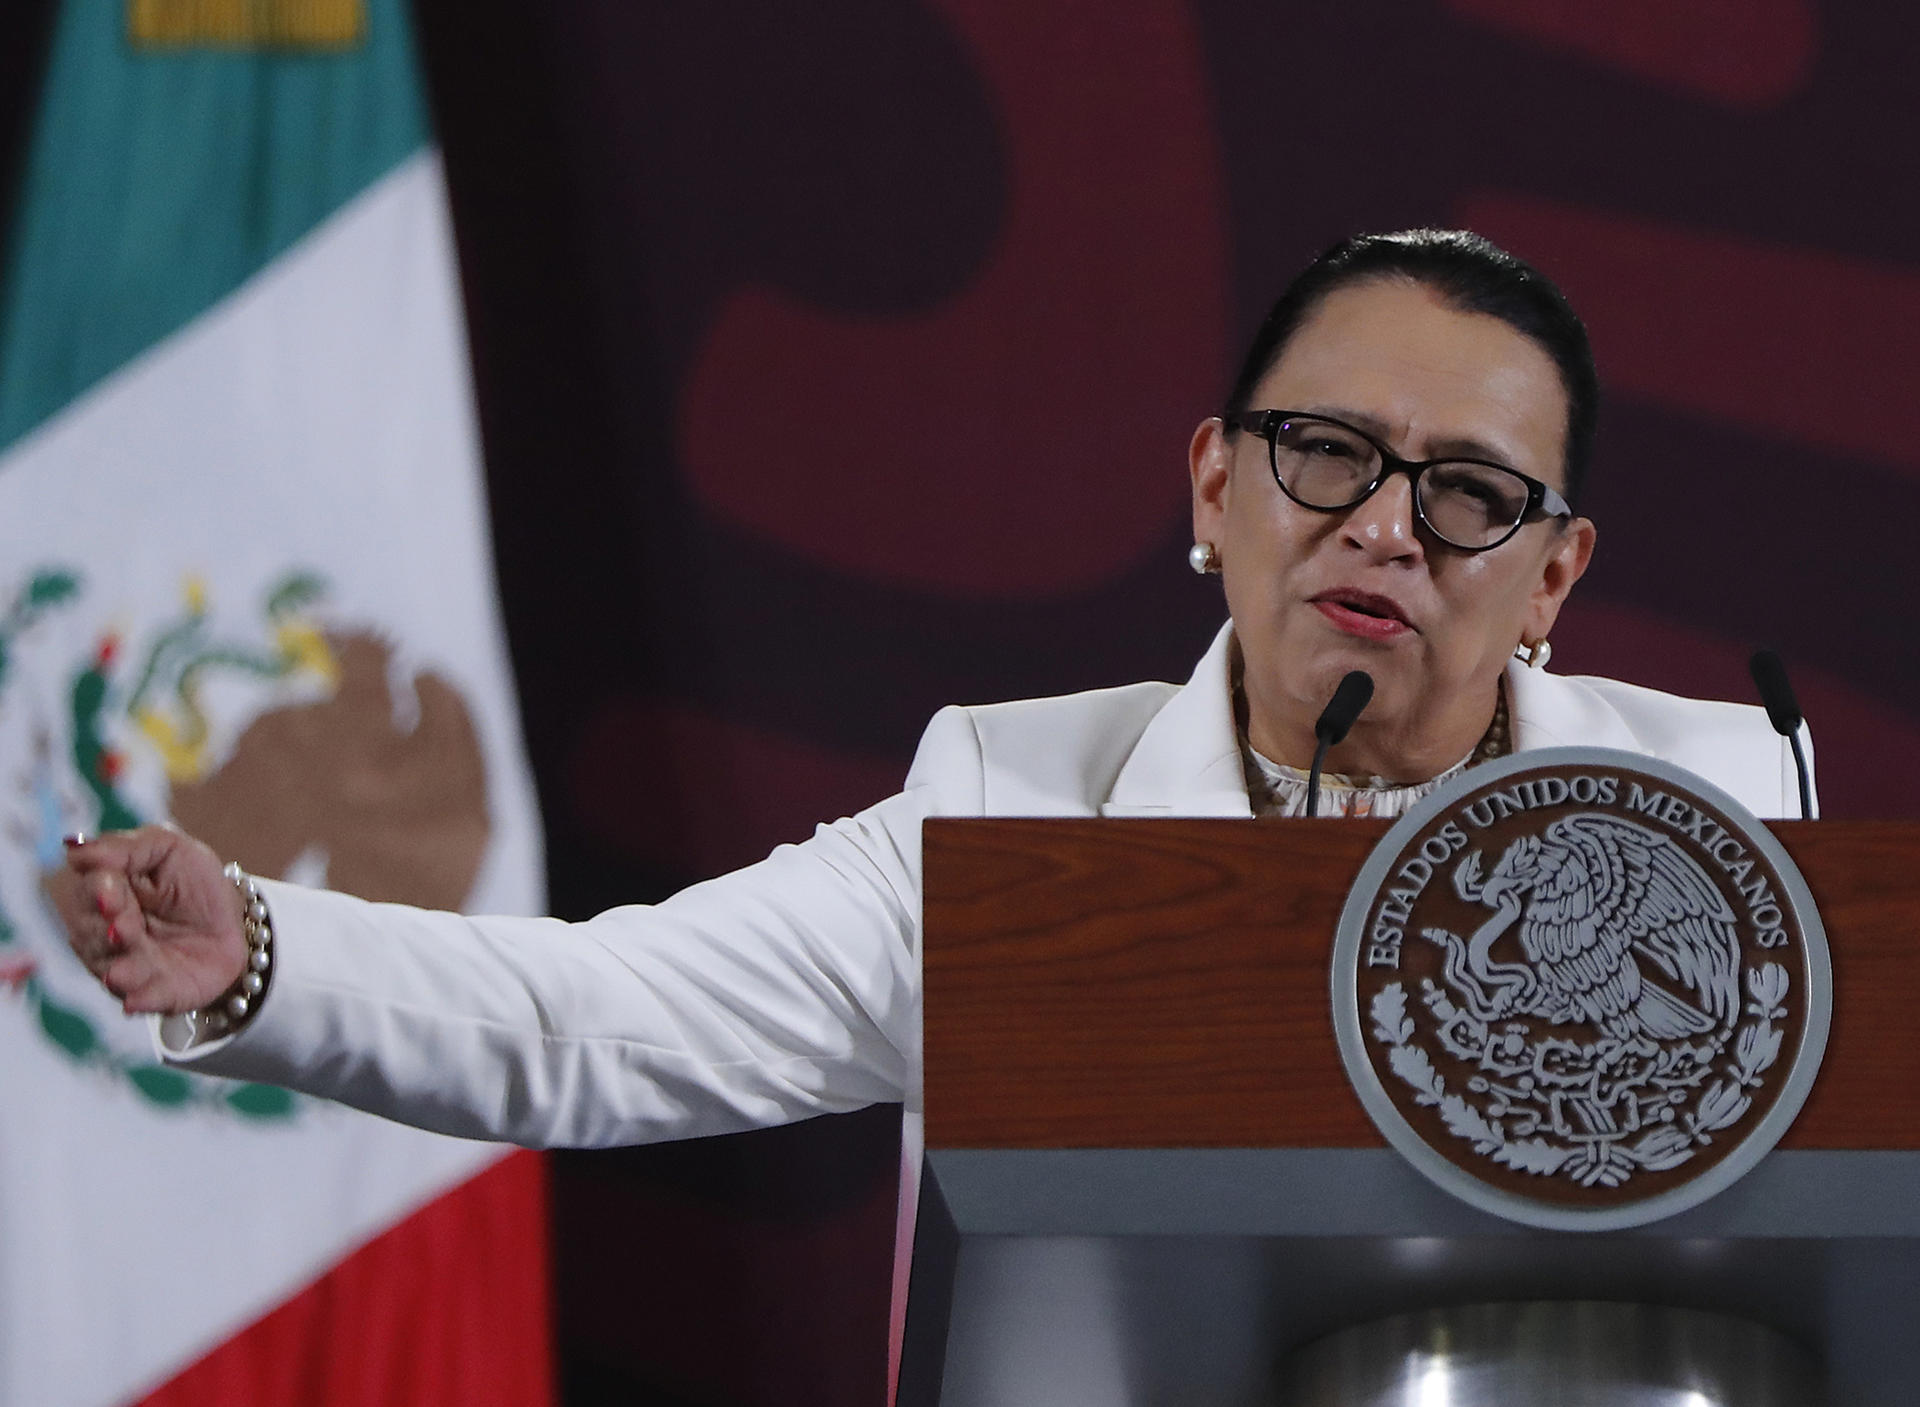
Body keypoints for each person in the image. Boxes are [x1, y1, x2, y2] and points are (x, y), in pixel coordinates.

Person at [53, 228, 1812, 1151]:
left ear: (1554, 575)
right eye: (1327, 452)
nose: (1385, 530)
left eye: (1470, 494)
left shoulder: (1741, 825)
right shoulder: (1012, 818)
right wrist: (265, 952)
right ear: (1215, 487)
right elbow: (598, 1018)